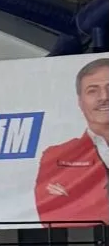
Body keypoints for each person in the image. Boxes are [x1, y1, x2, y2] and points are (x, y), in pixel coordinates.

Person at [34, 57, 109, 227]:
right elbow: (53, 216)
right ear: (80, 102)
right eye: (92, 91)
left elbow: (72, 212)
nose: (104, 97)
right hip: (86, 242)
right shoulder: (56, 156)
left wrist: (80, 201)